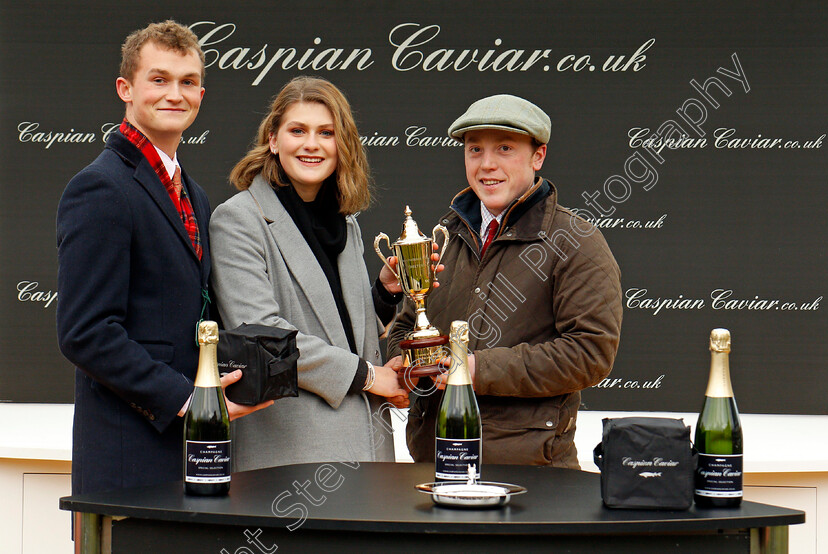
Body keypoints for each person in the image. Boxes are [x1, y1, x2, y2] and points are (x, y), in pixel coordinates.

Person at [56, 21, 268, 496]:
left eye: (188, 82)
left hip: (194, 451)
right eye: (159, 79)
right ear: (125, 89)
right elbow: (85, 333)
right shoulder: (100, 188)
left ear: (201, 94)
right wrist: (188, 400)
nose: (176, 94)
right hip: (128, 459)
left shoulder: (194, 194)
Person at [388, 94, 623, 469]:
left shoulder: (577, 241)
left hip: (531, 478)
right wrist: (405, 364)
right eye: (474, 149)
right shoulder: (444, 237)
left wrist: (477, 368)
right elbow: (407, 324)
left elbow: (590, 353)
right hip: (433, 466)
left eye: (505, 148)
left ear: (538, 156)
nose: (487, 164)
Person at [210, 76, 414, 470]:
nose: (311, 144)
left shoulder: (346, 223)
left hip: (368, 449)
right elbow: (264, 336)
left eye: (326, 132)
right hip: (291, 456)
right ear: (273, 139)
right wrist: (369, 377)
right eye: (297, 130)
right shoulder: (237, 220)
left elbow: (337, 331)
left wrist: (387, 292)